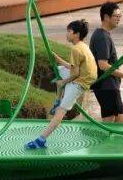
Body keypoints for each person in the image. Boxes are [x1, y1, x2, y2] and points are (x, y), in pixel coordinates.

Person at [26, 19, 97, 150]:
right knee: (59, 69)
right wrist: (58, 59)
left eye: (69, 31)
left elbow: (75, 74)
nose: (66, 34)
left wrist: (63, 82)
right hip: (82, 76)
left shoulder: (76, 49)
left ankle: (41, 140)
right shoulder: (82, 46)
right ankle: (58, 99)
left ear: (76, 34)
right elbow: (73, 67)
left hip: (79, 83)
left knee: (60, 112)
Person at [89, 2, 123, 123]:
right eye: (116, 16)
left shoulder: (103, 35)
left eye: (120, 16)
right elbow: (103, 65)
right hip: (106, 85)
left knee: (119, 119)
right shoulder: (102, 37)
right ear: (106, 17)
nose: (119, 19)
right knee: (112, 120)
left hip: (109, 85)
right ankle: (104, 136)